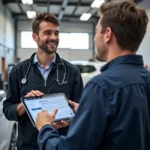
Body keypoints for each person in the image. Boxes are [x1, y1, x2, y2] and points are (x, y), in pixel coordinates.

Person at [35, 1, 150, 150]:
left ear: (107, 34)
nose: (95, 38)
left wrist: (45, 128)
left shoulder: (101, 87)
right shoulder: (146, 79)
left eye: (96, 31)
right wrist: (88, 111)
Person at [3, 12, 83, 150]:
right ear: (35, 37)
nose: (53, 38)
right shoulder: (18, 71)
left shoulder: (72, 72)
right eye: (47, 33)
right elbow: (7, 109)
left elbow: (82, 110)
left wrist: (70, 121)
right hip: (28, 146)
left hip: (61, 145)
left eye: (56, 33)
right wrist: (23, 106)